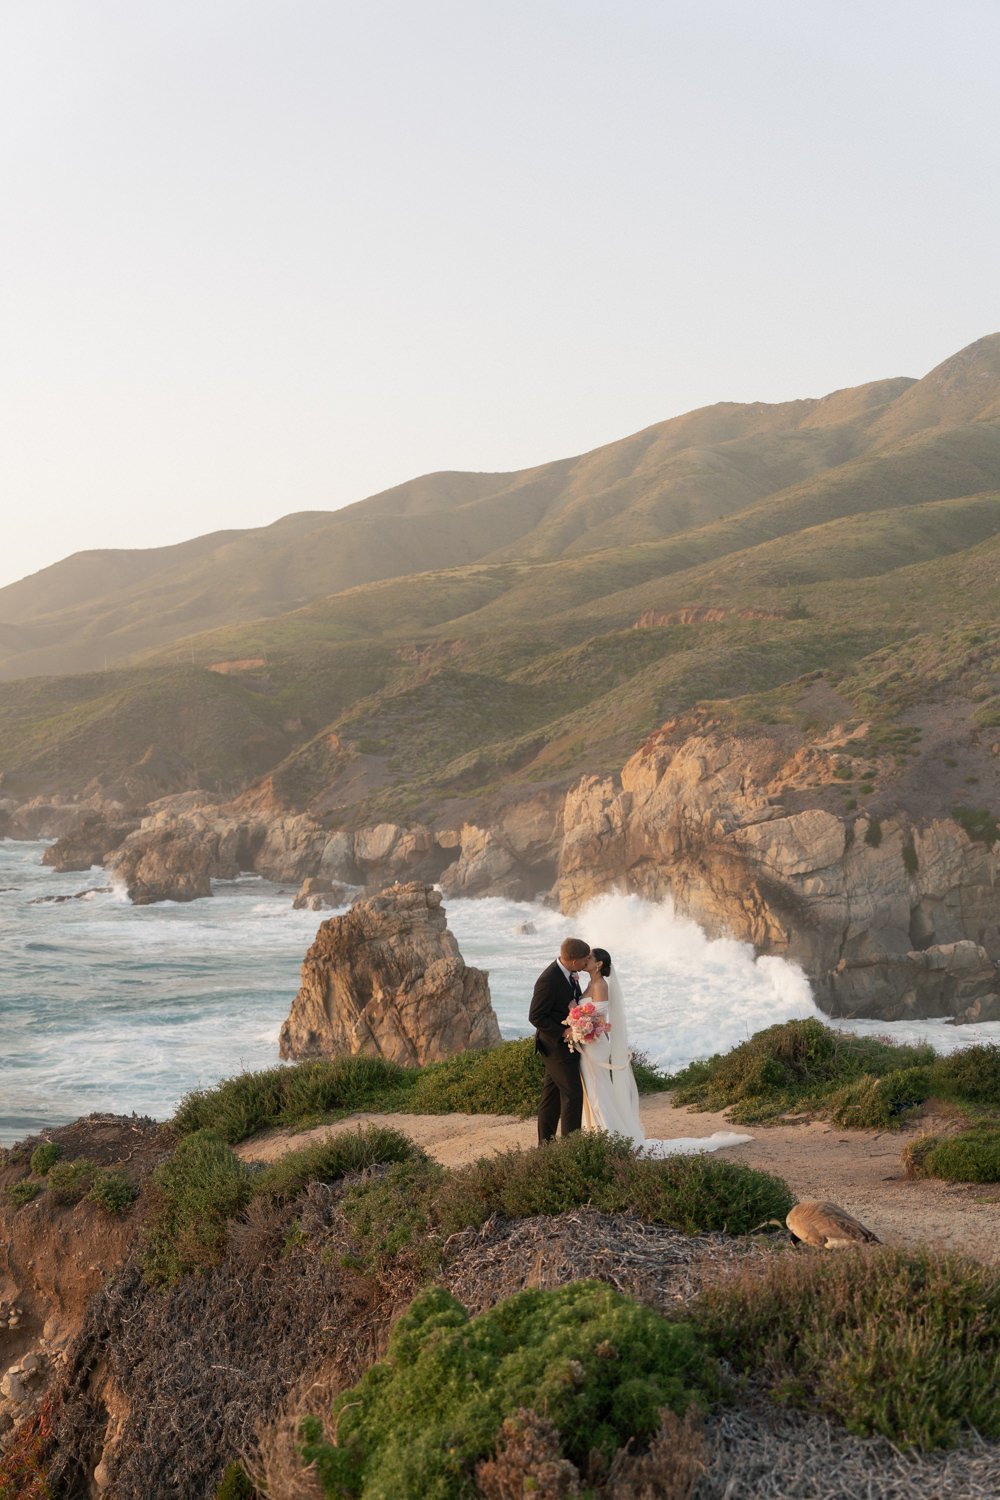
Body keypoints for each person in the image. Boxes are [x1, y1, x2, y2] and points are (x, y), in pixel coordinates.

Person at [577, 947, 754, 1158]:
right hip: (588, 1043)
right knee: (592, 1090)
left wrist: (580, 1026)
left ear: (598, 964)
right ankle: (595, 1134)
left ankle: (607, 1137)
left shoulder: (601, 985)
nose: (585, 960)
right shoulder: (589, 983)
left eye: (589, 958)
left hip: (595, 1045)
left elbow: (599, 1019)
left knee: (598, 1090)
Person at [529, 937, 591, 1143]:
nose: (586, 963)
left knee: (551, 1096)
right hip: (555, 1047)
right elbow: (536, 1017)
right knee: (573, 1095)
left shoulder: (569, 974)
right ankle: (571, 1147)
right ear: (574, 962)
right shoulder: (549, 979)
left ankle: (545, 1144)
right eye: (584, 960)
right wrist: (564, 1032)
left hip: (565, 1047)